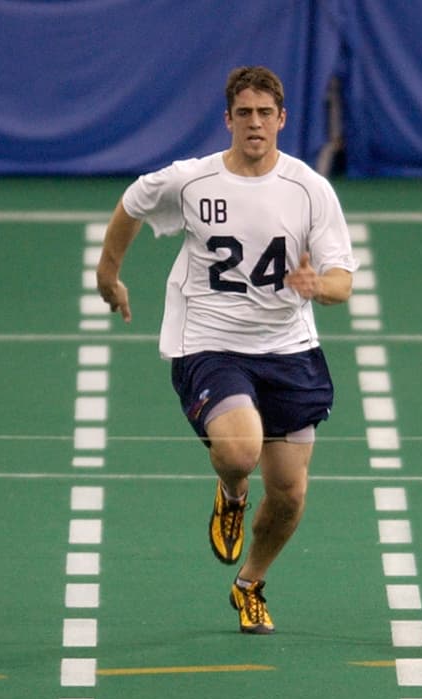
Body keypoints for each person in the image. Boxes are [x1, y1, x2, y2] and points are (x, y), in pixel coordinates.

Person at [96, 65, 355, 635]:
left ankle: (249, 584)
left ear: (282, 120)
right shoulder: (192, 182)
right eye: (245, 114)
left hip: (289, 348)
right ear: (229, 120)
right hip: (209, 342)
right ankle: (232, 491)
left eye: (266, 114)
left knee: (288, 494)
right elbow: (134, 203)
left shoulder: (310, 190)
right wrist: (108, 273)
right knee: (240, 452)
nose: (255, 124)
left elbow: (342, 279)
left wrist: (318, 287)